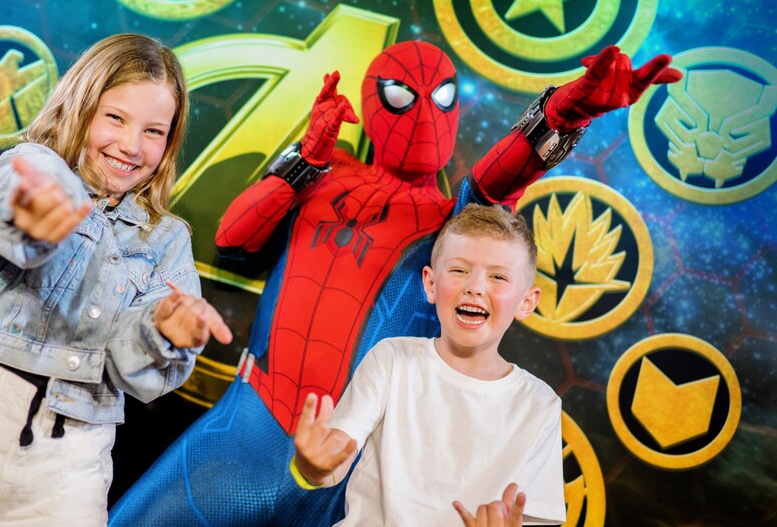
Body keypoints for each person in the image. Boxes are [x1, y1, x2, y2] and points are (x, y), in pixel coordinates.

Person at [107, 41, 679, 526]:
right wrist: (305, 158)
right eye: (404, 98)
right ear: (374, 98)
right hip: (249, 417)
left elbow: (499, 178)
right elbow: (235, 236)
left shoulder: (451, 221)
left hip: (350, 451)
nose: (424, 116)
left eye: (440, 99)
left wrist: (563, 114)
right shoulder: (326, 177)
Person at [0, 33, 232, 527]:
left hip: (75, 449)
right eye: (115, 118)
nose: (130, 145)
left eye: (153, 131)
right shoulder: (35, 165)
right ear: (81, 107)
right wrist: (32, 220)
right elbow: (11, 206)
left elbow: (131, 368)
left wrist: (164, 331)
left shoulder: (166, 239)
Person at [292, 203, 563, 527]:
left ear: (526, 302)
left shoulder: (539, 405)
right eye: (460, 270)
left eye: (498, 276)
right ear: (430, 284)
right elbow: (335, 457)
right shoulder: (392, 359)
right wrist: (312, 465)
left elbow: (535, 518)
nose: (475, 287)